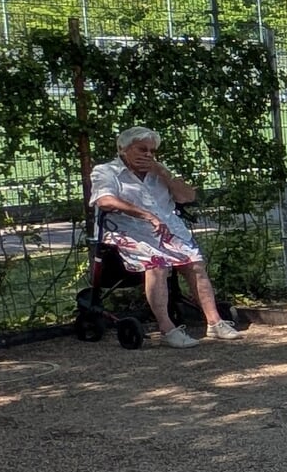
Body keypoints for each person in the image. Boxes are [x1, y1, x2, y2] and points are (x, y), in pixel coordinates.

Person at [88, 126, 241, 348]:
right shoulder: (105, 171)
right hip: (128, 230)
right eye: (142, 149)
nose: (148, 155)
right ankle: (167, 329)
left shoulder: (159, 170)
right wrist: (145, 215)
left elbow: (187, 196)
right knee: (157, 265)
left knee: (195, 264)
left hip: (168, 230)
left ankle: (215, 322)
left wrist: (163, 172)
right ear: (123, 149)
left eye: (152, 151)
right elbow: (105, 201)